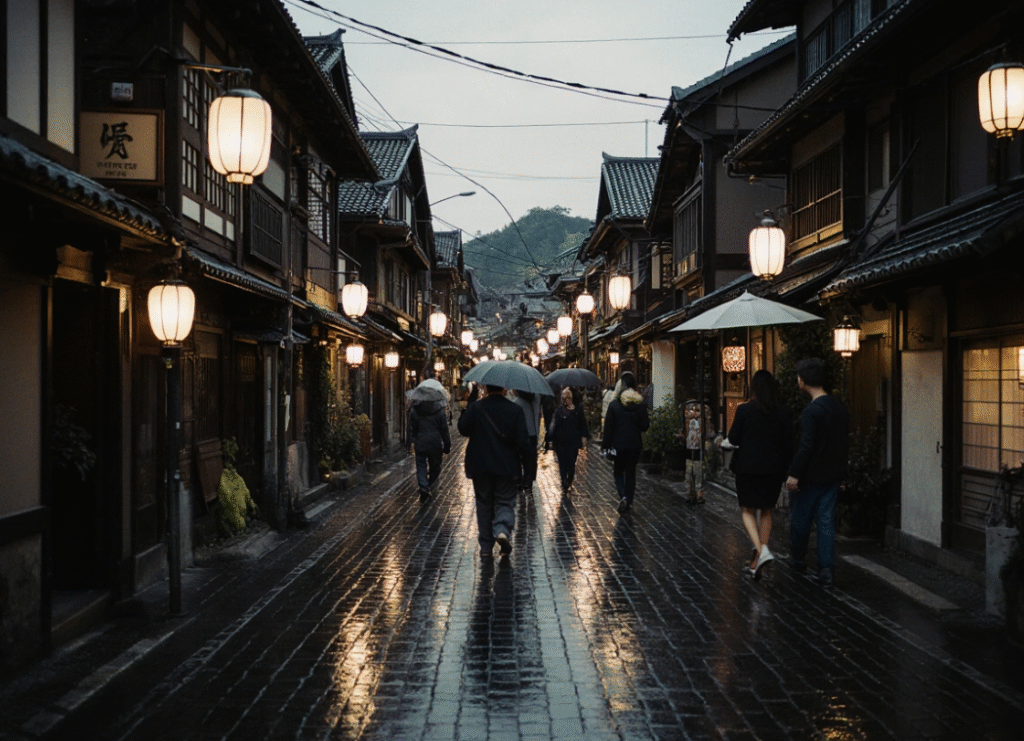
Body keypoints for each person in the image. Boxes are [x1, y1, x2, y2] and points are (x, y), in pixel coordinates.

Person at [785, 357, 849, 587]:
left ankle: (798, 560)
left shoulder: (811, 412)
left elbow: (806, 446)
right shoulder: (838, 407)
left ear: (803, 381)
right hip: (831, 475)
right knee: (825, 522)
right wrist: (842, 474)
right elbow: (844, 444)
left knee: (801, 521)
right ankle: (826, 569)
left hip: (810, 476)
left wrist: (794, 473)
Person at [725, 369, 793, 580]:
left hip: (748, 468)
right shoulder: (783, 412)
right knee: (766, 511)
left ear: (753, 388)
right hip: (773, 469)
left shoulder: (745, 410)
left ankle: (762, 551)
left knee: (747, 510)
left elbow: (733, 438)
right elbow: (789, 443)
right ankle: (757, 563)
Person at [458, 385, 531, 558]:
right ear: (505, 389)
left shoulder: (476, 407)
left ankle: (485, 546)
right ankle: (502, 530)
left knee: (483, 503)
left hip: (480, 465)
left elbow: (463, 428)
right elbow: (523, 442)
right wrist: (528, 470)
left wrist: (468, 404)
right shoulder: (515, 410)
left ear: (486, 388)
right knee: (505, 501)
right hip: (507, 466)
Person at [601, 371, 650, 514]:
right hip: (635, 445)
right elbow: (644, 426)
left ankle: (624, 497)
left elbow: (608, 428)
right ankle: (629, 499)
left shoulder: (615, 405)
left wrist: (606, 446)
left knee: (618, 472)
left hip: (619, 445)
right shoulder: (640, 404)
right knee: (631, 473)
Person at [408, 398, 451, 503]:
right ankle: (428, 484)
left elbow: (412, 427)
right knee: (436, 466)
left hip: (421, 441)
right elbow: (444, 429)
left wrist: (412, 441)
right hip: (435, 443)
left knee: (421, 465)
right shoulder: (440, 410)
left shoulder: (415, 409)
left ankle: (423, 486)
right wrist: (447, 444)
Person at [548, 387, 589, 493]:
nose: (565, 397)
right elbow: (555, 424)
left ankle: (569, 478)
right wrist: (551, 439)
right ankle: (563, 482)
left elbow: (582, 424)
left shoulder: (578, 409)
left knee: (571, 463)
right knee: (562, 464)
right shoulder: (559, 410)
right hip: (560, 441)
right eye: (564, 395)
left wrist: (583, 438)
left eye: (568, 395)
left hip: (573, 441)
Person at [512, 390, 542, 492]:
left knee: (519, 457)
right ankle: (528, 479)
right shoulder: (535, 398)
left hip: (522, 432)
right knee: (530, 458)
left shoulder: (517, 402)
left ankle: (521, 479)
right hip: (532, 432)